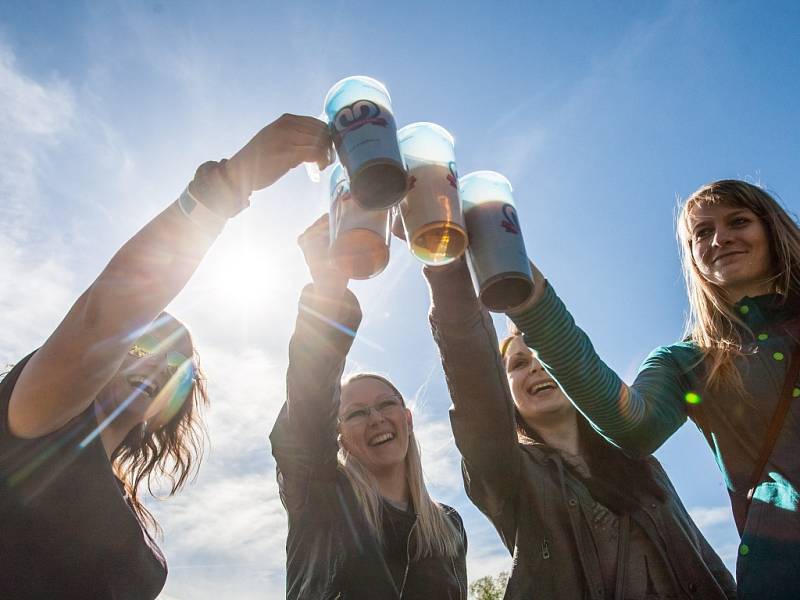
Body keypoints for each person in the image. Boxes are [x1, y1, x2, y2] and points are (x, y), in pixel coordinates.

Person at [0, 114, 332, 599]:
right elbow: (105, 314)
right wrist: (228, 185)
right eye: (138, 346)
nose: (156, 365)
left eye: (176, 365)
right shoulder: (36, 423)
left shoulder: (127, 505)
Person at [502, 179, 800, 599]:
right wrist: (531, 301)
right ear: (692, 257)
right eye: (702, 232)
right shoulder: (688, 362)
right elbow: (632, 426)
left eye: (739, 221)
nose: (720, 238)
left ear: (771, 228)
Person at [422, 258, 736, 599]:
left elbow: (703, 559)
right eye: (519, 364)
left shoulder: (639, 460)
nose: (537, 369)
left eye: (544, 358)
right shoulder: (508, 473)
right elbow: (475, 385)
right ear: (506, 391)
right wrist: (448, 270)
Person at [270, 215, 468, 600]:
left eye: (385, 405)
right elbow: (307, 408)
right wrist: (329, 290)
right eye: (357, 413)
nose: (376, 418)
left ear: (407, 419)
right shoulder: (321, 494)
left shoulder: (448, 525)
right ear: (338, 433)